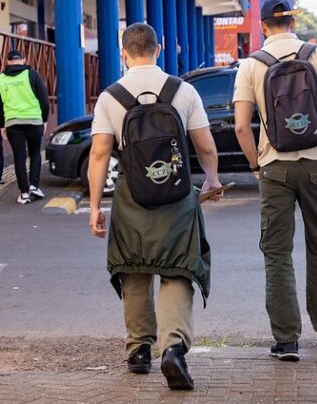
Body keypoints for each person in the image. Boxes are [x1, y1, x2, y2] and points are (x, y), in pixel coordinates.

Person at [232, 0, 317, 362]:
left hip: (274, 165)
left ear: (263, 26)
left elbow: (241, 126)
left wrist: (256, 164)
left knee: (277, 252)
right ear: (292, 23)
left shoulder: (251, 66)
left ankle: (286, 340)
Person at [88, 23, 222, 391]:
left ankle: (139, 351)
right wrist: (210, 179)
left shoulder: (110, 97)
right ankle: (174, 348)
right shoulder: (184, 91)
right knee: (178, 270)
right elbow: (205, 146)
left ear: (123, 53)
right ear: (159, 49)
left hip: (131, 195)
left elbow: (100, 154)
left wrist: (95, 206)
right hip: (177, 195)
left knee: (134, 269)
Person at [0, 50, 50, 204]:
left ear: (7, 61)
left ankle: (24, 192)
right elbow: (44, 100)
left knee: (19, 156)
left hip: (12, 122)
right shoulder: (32, 75)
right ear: (24, 59)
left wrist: (1, 125)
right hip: (34, 120)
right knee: (35, 153)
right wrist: (44, 120)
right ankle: (34, 185)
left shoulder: (2, 78)